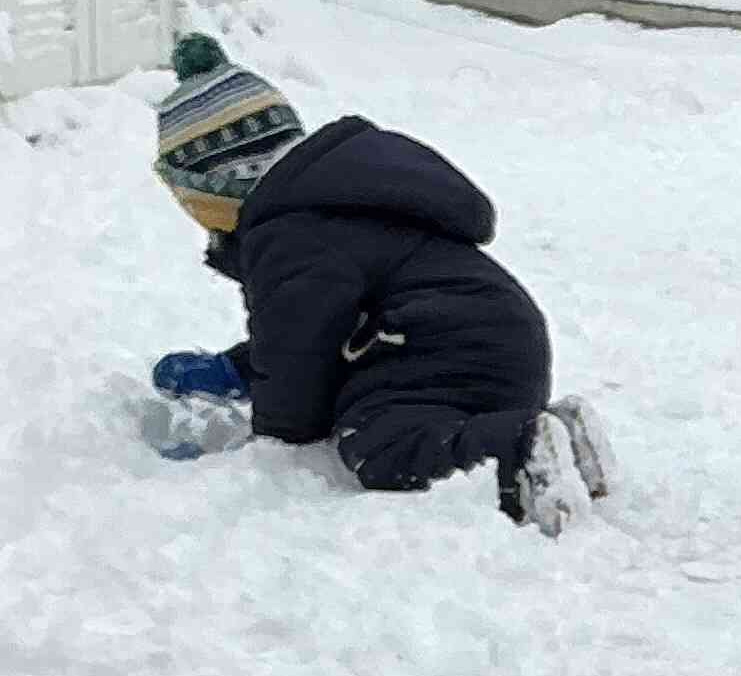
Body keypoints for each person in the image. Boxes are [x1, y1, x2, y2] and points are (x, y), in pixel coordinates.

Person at [148, 36, 610, 534]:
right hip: (490, 339)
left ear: (218, 189)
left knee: (381, 441)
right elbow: (313, 328)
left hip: (432, 348)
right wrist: (237, 369)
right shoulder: (334, 201)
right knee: (435, 418)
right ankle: (559, 436)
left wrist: (280, 432)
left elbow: (299, 353)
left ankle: (519, 449)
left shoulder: (287, 233)